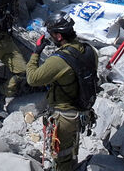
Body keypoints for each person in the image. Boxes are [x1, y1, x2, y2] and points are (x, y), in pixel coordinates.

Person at [26, 13, 99, 171]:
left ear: (59, 36)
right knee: (71, 150)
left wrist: (36, 53)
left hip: (64, 116)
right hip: (81, 112)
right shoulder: (89, 50)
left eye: (52, 34)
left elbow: (32, 78)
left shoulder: (59, 60)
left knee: (61, 157)